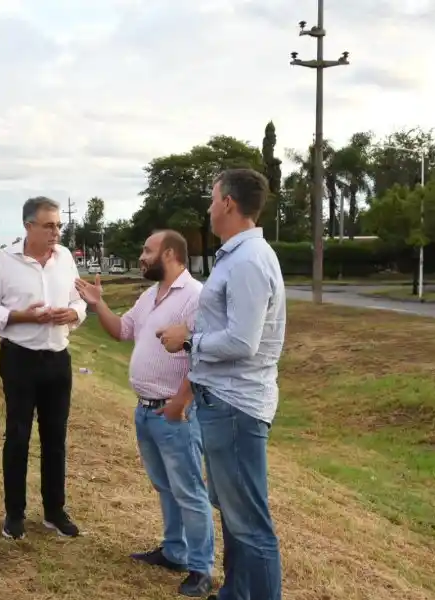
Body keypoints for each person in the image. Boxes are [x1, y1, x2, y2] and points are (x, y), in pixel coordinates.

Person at [158, 168, 286, 600]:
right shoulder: (237, 256)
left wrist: (188, 339)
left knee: (250, 524)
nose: (209, 209)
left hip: (236, 406)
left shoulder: (249, 260)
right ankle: (235, 592)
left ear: (229, 203)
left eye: (212, 200)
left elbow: (243, 341)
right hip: (225, 402)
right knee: (234, 516)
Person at [74, 230, 214, 598]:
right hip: (146, 410)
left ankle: (201, 568)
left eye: (147, 251)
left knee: (189, 492)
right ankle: (174, 551)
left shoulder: (196, 297)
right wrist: (97, 303)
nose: (141, 256)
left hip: (174, 413)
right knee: (165, 486)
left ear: (169, 254)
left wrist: (180, 403)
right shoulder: (150, 295)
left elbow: (202, 357)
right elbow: (122, 331)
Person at [0, 196, 87, 540]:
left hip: (58, 358)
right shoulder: (3, 260)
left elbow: (78, 299)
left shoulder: (65, 257)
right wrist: (26, 316)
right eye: (49, 225)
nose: (56, 232)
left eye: (58, 225)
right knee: (19, 436)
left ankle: (54, 511)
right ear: (28, 226)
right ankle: (15, 514)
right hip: (20, 358)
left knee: (55, 438)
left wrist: (74, 314)